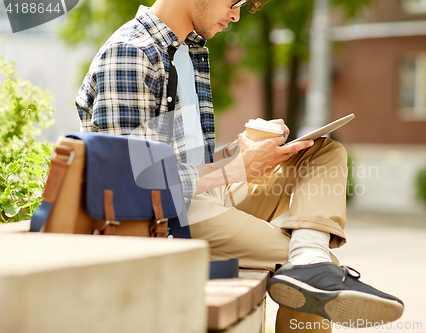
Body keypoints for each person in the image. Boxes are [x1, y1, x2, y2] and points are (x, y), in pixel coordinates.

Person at [75, 0, 404, 331]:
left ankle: (309, 258)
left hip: (206, 196)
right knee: (319, 275)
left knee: (322, 153)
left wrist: (238, 153)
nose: (236, 15)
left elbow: (182, 161)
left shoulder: (187, 53)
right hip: (172, 219)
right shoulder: (131, 54)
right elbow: (132, 186)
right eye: (234, 2)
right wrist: (237, 169)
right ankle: (310, 264)